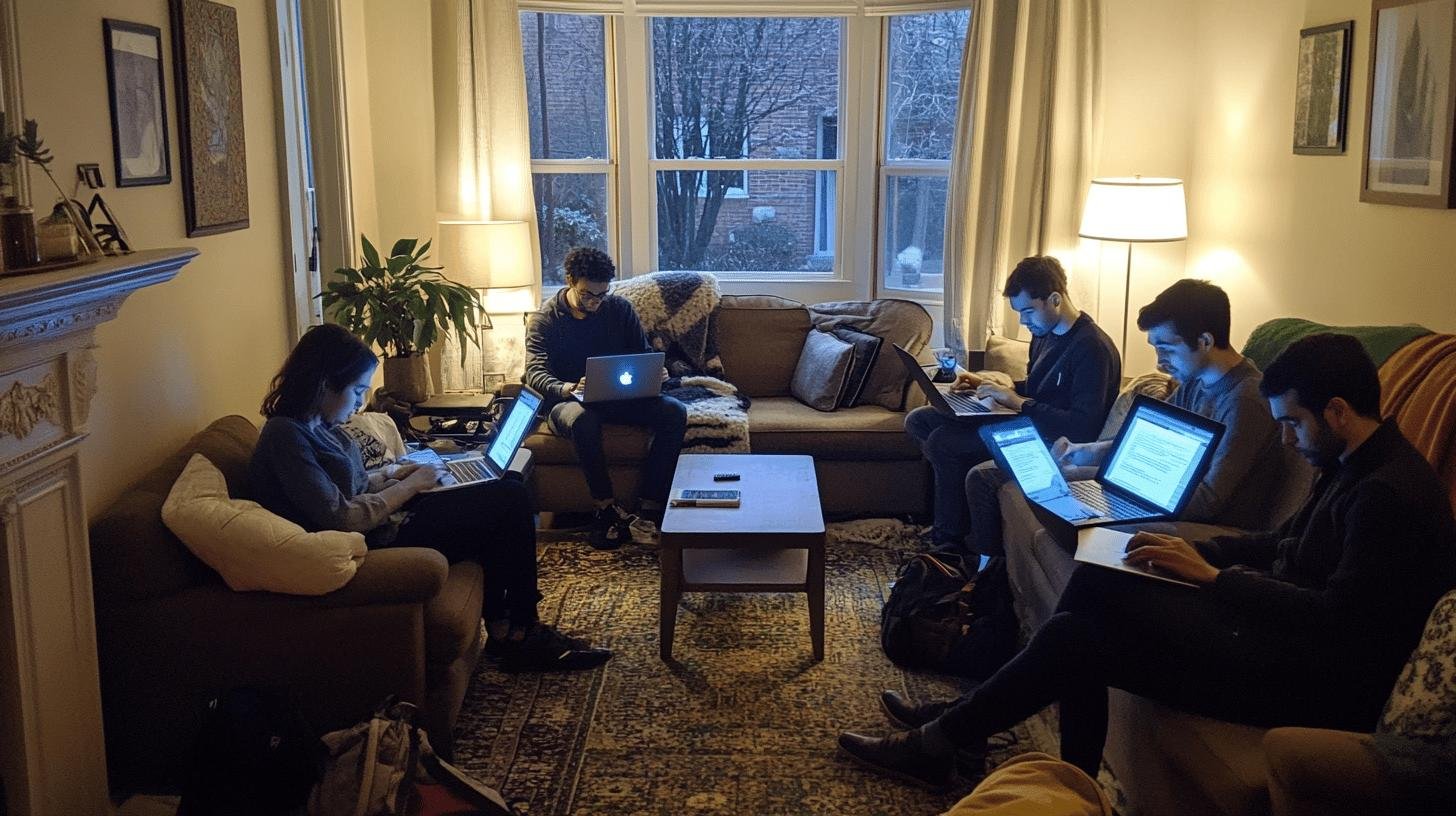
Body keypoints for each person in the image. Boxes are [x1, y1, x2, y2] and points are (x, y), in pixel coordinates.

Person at [839, 333, 1456, 789]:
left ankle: (953, 739)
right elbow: (1283, 543)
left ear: (1339, 412)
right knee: (1100, 583)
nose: (1288, 440)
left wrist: (1218, 579)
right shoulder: (1349, 461)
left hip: (1311, 681)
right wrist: (1191, 551)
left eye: (1292, 425)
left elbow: (1339, 621)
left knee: (1083, 634)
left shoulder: (1387, 497)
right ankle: (1027, 765)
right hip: (1276, 632)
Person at [249, 323, 612, 672]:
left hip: (384, 523)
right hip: (371, 543)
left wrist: (395, 474)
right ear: (325, 384)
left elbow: (353, 487)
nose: (360, 403)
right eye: (358, 391)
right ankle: (521, 631)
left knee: (498, 494)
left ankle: (510, 629)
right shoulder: (286, 436)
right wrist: (409, 486)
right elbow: (341, 517)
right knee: (508, 498)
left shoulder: (319, 426)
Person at [962, 279, 1290, 555]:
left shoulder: (1247, 401)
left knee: (1053, 505)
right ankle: (990, 580)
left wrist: (1105, 479)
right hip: (1157, 491)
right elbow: (1142, 441)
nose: (1160, 363)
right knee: (1016, 478)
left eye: (1167, 349)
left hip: (1201, 522)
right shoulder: (1196, 380)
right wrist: (1090, 450)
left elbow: (1208, 501)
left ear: (1204, 341)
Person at [906, 255, 1119, 552]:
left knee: (945, 442)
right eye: (1020, 313)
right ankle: (955, 519)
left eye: (1029, 311)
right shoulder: (1045, 334)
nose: (1023, 321)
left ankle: (949, 542)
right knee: (920, 420)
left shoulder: (1091, 348)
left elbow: (1083, 425)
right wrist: (988, 386)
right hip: (1028, 424)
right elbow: (1037, 389)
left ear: (1055, 299)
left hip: (1053, 441)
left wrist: (1017, 402)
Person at [525, 246, 688, 550]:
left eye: (602, 295)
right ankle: (605, 508)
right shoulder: (545, 319)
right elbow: (534, 373)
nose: (596, 303)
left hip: (619, 397)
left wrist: (656, 372)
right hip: (567, 403)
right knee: (585, 420)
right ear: (570, 281)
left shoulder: (619, 309)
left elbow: (641, 354)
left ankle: (648, 508)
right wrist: (567, 387)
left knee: (674, 412)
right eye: (588, 295)